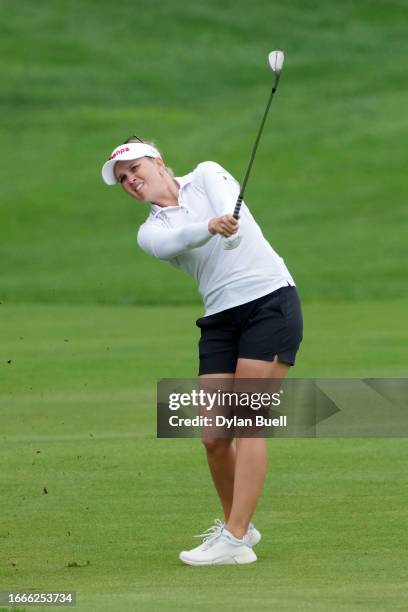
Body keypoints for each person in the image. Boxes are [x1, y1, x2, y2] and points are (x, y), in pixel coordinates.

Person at [101, 136, 303, 566]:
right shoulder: (150, 230)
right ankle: (241, 529)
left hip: (269, 300)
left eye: (135, 168)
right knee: (213, 436)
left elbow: (235, 210)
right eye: (122, 178)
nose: (131, 180)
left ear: (158, 162)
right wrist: (210, 227)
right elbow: (175, 243)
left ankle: (233, 537)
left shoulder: (208, 173)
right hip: (219, 319)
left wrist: (226, 223)